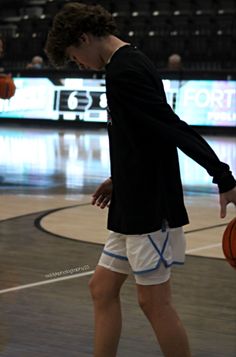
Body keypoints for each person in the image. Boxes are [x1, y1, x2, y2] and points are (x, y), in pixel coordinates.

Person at [45, 3, 236, 357]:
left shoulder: (126, 70)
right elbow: (143, 136)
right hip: (131, 202)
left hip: (150, 207)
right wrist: (120, 177)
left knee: (154, 303)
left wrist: (222, 175)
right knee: (102, 289)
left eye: (75, 57)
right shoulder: (125, 63)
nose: (79, 66)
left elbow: (172, 127)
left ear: (84, 38)